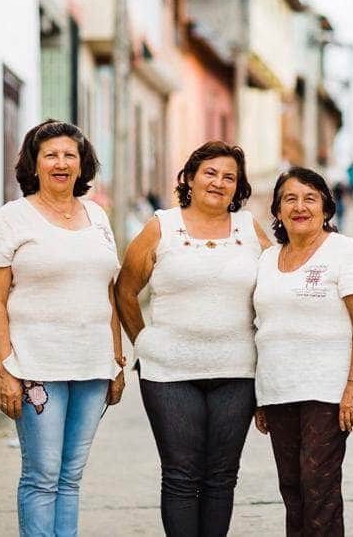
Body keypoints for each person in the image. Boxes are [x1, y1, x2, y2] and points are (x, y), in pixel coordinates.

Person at [115, 141, 273, 536]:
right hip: (169, 373)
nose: (219, 183)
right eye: (210, 173)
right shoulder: (161, 226)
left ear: (239, 187)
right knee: (181, 476)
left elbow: (280, 283)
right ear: (189, 177)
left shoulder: (249, 229)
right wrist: (144, 342)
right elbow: (125, 290)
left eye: (229, 177)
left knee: (221, 476)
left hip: (237, 371)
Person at [0, 119, 125, 537]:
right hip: (35, 365)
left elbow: (109, 293)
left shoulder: (97, 217)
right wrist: (5, 371)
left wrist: (116, 360)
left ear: (82, 165)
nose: (61, 163)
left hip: (92, 366)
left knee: (71, 477)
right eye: (51, 155)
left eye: (69, 155)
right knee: (42, 476)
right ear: (35, 163)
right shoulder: (11, 219)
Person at [252, 167, 353, 536]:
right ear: (276, 210)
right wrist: (261, 397)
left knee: (318, 487)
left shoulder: (344, 251)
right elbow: (263, 328)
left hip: (326, 391)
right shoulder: (267, 260)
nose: (300, 206)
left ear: (326, 207)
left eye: (310, 198)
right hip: (278, 391)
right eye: (290, 198)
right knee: (292, 489)